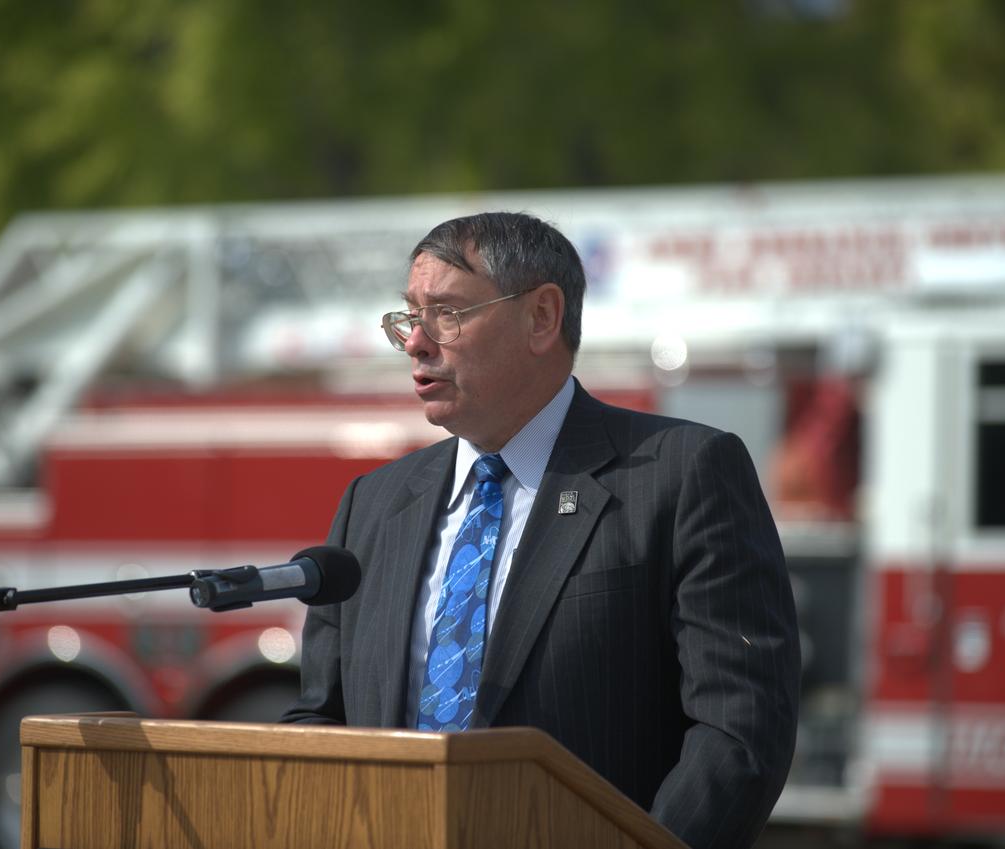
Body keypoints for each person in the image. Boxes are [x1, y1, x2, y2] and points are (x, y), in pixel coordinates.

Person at [282, 212, 800, 849]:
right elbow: (321, 720)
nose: (416, 342)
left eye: (445, 313)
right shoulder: (374, 502)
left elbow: (739, 731)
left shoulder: (681, 474)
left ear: (542, 318)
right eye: (408, 317)